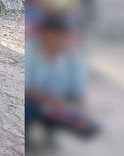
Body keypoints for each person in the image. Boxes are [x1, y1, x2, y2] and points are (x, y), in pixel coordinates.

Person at [25, 14, 98, 149]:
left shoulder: (73, 56)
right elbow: (28, 85)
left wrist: (80, 112)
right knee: (28, 103)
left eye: (61, 38)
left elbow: (78, 89)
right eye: (53, 37)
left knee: (91, 128)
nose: (57, 42)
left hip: (61, 104)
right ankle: (29, 131)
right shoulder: (32, 51)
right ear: (44, 35)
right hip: (37, 100)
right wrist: (50, 100)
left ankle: (51, 131)